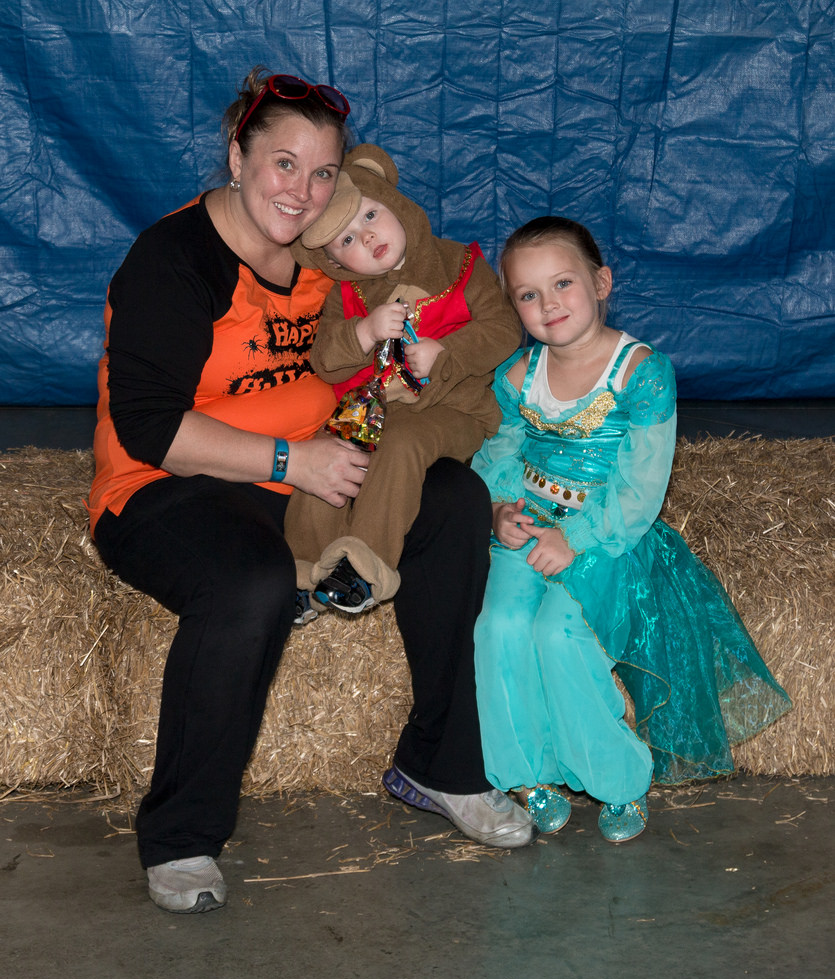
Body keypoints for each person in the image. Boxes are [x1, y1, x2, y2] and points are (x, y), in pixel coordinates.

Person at [88, 69, 536, 915]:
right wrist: (293, 462)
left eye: (323, 172)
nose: (302, 190)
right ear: (237, 157)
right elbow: (149, 428)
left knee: (452, 502)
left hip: (313, 464)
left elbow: (414, 304)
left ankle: (439, 764)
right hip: (167, 485)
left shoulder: (324, 258)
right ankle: (181, 835)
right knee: (251, 580)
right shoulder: (174, 258)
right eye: (283, 164)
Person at [471, 216, 792, 843]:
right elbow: (499, 454)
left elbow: (642, 487)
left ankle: (616, 779)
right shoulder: (516, 375)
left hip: (603, 535)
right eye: (528, 294)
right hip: (527, 525)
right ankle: (526, 773)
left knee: (559, 633)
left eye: (563, 283)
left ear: (601, 283)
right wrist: (498, 510)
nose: (548, 304)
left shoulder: (641, 372)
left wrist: (574, 539)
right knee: (499, 626)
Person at [283, 143, 520, 613]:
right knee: (328, 452)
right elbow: (324, 360)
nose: (367, 237)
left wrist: (447, 354)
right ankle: (305, 572)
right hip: (371, 411)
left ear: (396, 205)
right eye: (346, 241)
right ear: (333, 262)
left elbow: (504, 328)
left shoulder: (459, 264)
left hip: (454, 409)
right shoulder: (346, 296)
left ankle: (364, 566)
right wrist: (364, 331)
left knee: (401, 442)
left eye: (371, 216)